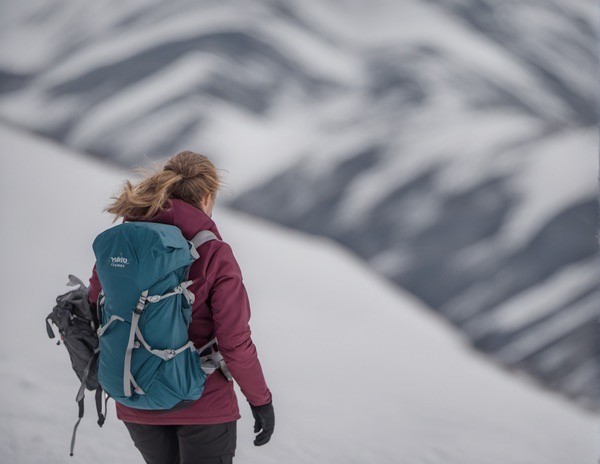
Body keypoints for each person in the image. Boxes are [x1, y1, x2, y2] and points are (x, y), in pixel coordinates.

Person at [87, 150, 274, 464]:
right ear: (206, 198)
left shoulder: (123, 243)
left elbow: (98, 305)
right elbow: (235, 341)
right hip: (202, 400)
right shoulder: (214, 252)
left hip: (134, 394)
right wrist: (260, 401)